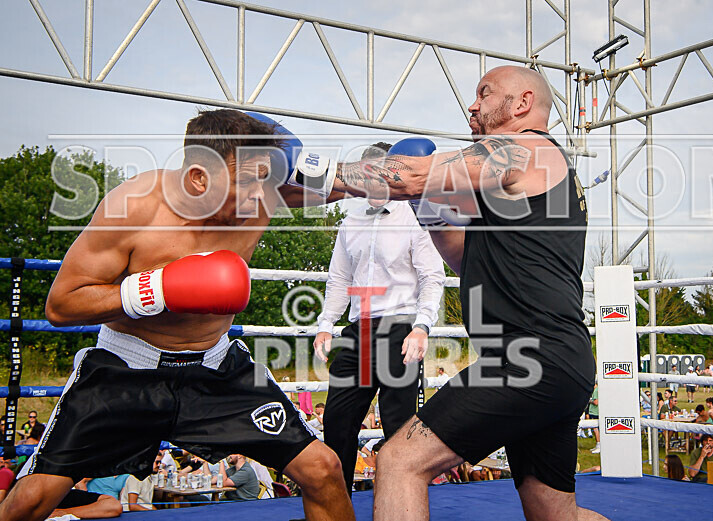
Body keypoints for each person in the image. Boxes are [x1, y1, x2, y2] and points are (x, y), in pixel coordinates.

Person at [0, 110, 355, 521]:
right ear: (200, 178)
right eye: (247, 182)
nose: (262, 196)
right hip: (126, 370)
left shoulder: (262, 190)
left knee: (323, 469)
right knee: (30, 501)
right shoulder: (134, 209)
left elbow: (342, 188)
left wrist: (337, 171)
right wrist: (156, 289)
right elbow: (61, 305)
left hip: (216, 367)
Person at [290, 65, 605, 520]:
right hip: (554, 360)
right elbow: (464, 258)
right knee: (556, 515)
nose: (472, 105)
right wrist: (427, 206)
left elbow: (414, 173)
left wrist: (311, 169)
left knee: (399, 460)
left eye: (484, 93)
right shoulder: (521, 176)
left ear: (522, 103)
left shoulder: (524, 148)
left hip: (531, 359)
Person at [313, 141, 445, 496]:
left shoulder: (415, 216)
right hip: (358, 332)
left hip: (401, 330)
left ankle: (400, 505)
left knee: (398, 424)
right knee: (337, 420)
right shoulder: (351, 221)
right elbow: (339, 279)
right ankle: (337, 507)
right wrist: (326, 324)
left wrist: (422, 327)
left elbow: (432, 277)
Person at [587, 382, 600, 454]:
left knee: (596, 429)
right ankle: (597, 445)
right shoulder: (597, 390)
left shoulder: (596, 390)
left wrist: (589, 400)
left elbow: (596, 402)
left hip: (595, 412)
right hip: (594, 412)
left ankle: (599, 445)